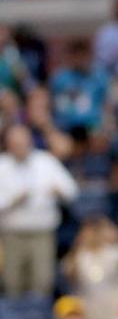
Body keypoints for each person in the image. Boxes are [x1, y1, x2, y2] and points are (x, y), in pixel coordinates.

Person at [0, 123, 78, 296]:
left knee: (42, 281)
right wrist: (12, 200)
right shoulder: (2, 165)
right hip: (12, 233)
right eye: (15, 143)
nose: (20, 147)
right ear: (8, 144)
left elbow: (71, 190)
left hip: (42, 232)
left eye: (23, 142)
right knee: (13, 282)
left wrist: (59, 191)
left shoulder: (46, 161)